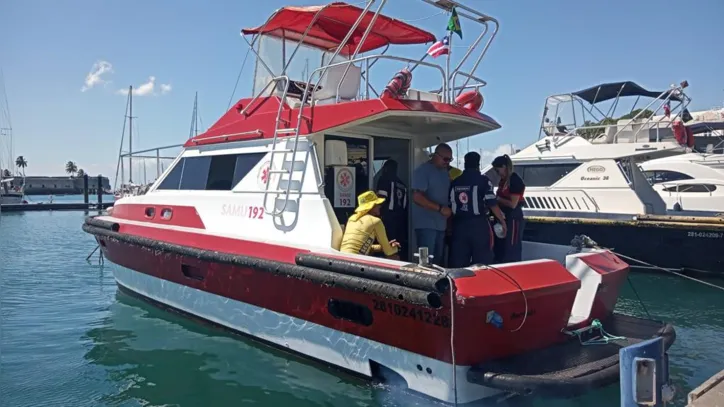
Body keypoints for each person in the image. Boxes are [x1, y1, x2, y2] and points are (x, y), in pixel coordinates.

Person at [448, 152, 507, 267]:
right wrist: (502, 221)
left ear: (465, 164)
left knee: (459, 262)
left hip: (459, 225)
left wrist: (449, 226)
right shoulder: (483, 181)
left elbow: (450, 204)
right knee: (482, 262)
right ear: (478, 164)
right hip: (478, 225)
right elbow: (492, 203)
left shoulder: (455, 182)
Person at [411, 144, 453, 265]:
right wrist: (440, 209)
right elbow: (417, 197)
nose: (448, 162)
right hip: (426, 225)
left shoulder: (445, 172)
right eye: (445, 159)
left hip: (441, 225)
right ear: (436, 156)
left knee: (438, 262)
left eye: (450, 160)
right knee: (427, 263)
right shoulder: (422, 171)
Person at [340, 190, 400, 259]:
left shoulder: (352, 219)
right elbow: (389, 252)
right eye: (377, 204)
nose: (380, 206)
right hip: (356, 261)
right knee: (395, 257)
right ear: (372, 206)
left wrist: (383, 246)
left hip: (342, 259)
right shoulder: (376, 221)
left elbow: (361, 245)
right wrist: (395, 248)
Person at [492, 154, 526, 263]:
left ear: (504, 167)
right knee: (502, 246)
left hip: (513, 217)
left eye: (498, 171)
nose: (497, 174)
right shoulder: (503, 182)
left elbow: (513, 204)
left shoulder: (514, 180)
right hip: (504, 216)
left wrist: (497, 199)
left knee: (512, 245)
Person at [375, 160, 408, 260]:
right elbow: (405, 205)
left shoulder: (385, 179)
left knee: (388, 244)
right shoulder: (403, 185)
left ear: (386, 168)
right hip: (400, 219)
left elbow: (381, 198)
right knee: (397, 245)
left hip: (388, 217)